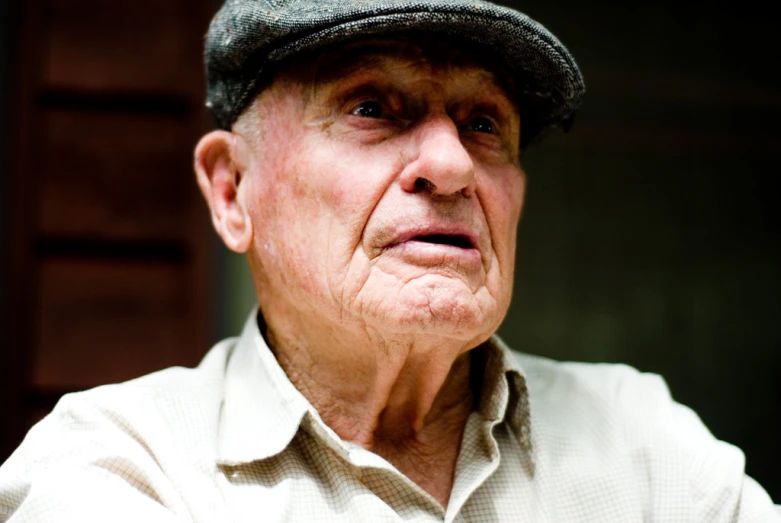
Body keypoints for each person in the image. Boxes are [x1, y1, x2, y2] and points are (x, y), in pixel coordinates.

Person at [0, 0, 778, 521]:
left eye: (483, 122)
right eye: (372, 107)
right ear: (233, 191)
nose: (450, 163)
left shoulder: (640, 439)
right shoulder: (127, 464)